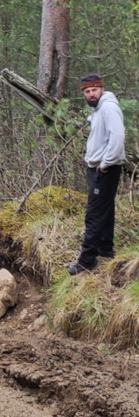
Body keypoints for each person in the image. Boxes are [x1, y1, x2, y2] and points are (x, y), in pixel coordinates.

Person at [68, 73, 126, 275]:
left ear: (101, 89)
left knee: (93, 213)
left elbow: (117, 137)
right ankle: (105, 249)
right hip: (100, 167)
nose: (91, 94)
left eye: (94, 90)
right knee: (105, 208)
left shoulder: (109, 107)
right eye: (87, 91)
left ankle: (87, 260)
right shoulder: (99, 109)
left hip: (105, 168)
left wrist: (105, 163)